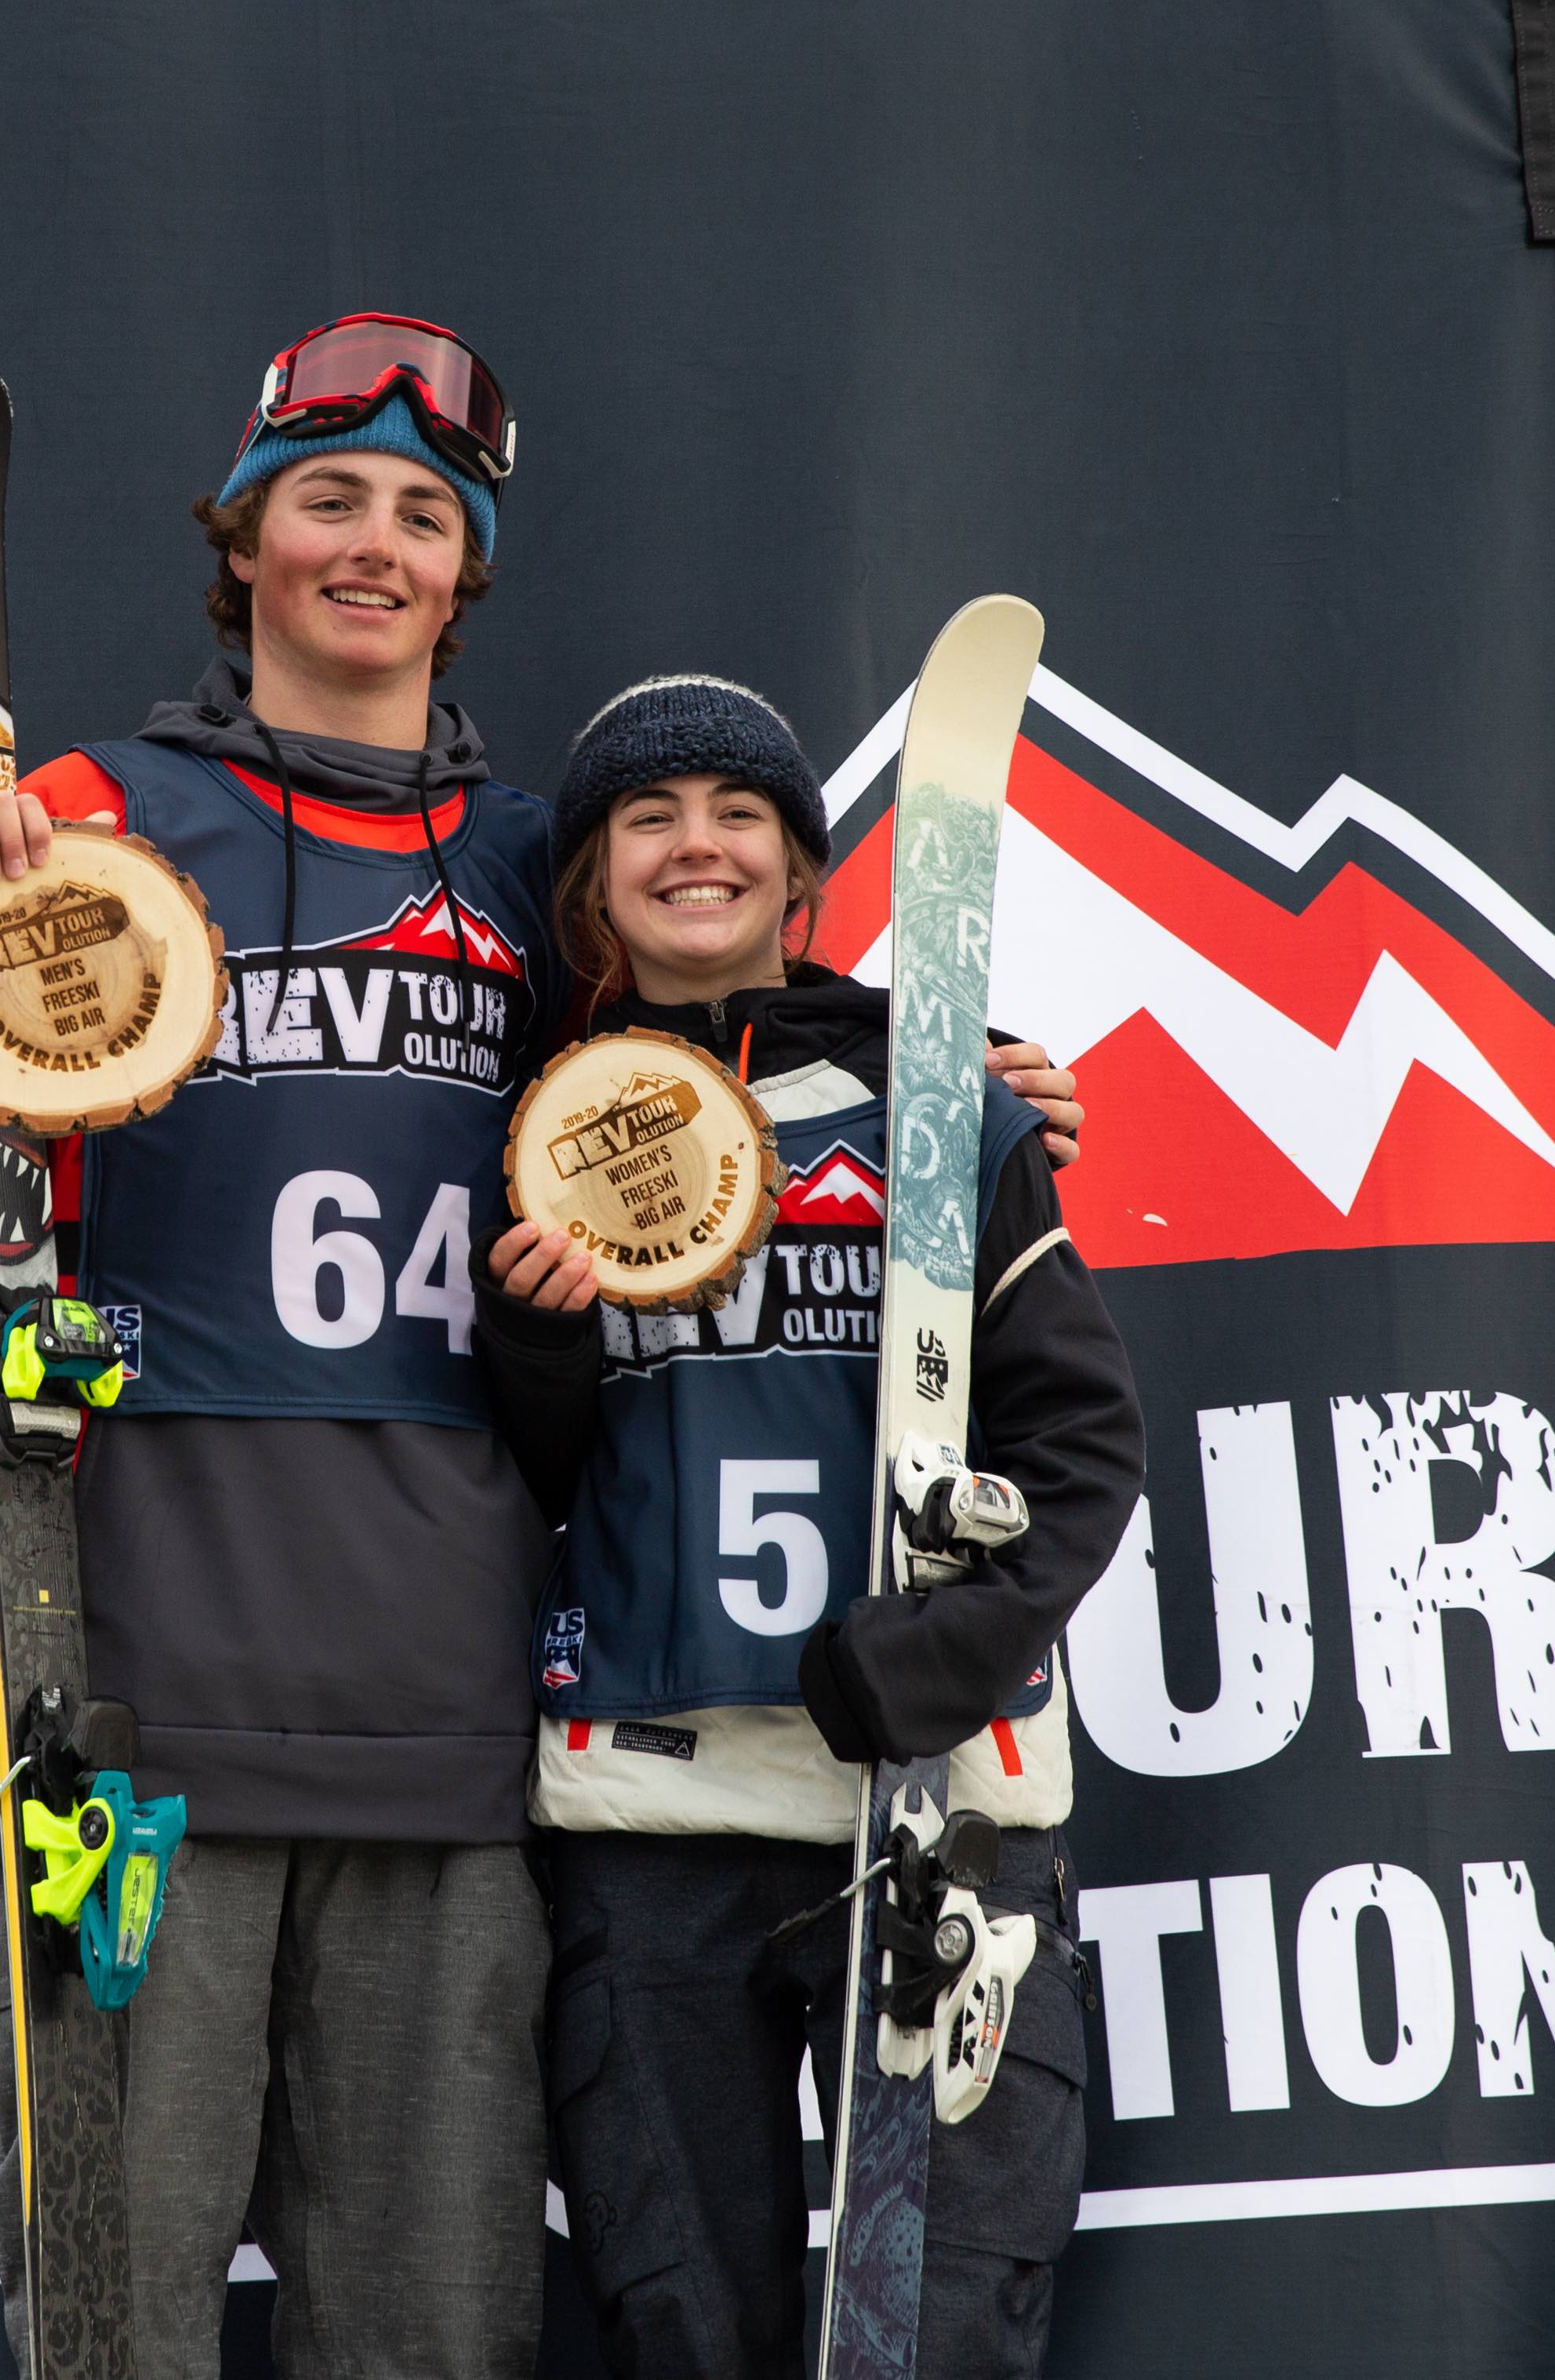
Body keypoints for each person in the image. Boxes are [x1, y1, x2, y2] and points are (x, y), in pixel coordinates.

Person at [0, 314, 562, 2379]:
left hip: (442, 1752)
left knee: (438, 2338)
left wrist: (962, 1106)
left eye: (423, 509)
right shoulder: (81, 813)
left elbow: (722, 1115)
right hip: (101, 1732)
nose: (372, 542)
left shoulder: (545, 874)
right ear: (243, 540)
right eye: (325, 499)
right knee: (110, 2327)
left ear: (465, 568)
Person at [475, 674, 1148, 2380]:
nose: (693, 842)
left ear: (800, 871)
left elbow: (1077, 1438)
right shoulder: (539, 1127)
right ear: (588, 887)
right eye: (646, 816)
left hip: (934, 1796)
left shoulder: (945, 1105)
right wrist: (538, 1343)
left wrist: (951, 1646)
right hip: (651, 1805)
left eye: (735, 812)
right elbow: (524, 1484)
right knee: (685, 2318)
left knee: (932, 2327)